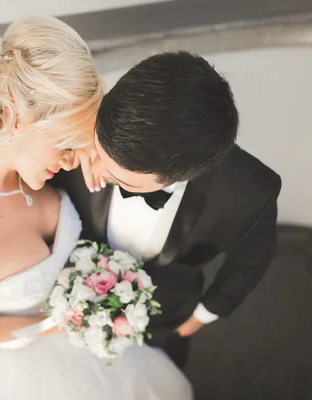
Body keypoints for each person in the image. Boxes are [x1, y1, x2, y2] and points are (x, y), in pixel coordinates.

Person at [0, 17, 193, 400]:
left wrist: (91, 145)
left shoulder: (31, 162)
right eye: (65, 142)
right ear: (14, 121)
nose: (72, 160)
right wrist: (52, 324)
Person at [54, 51, 282, 368]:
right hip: (64, 307)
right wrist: (79, 142)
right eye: (99, 151)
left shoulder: (249, 193)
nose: (98, 172)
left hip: (166, 320)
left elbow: (250, 262)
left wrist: (202, 316)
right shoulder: (76, 125)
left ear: (184, 175)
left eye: (117, 178)